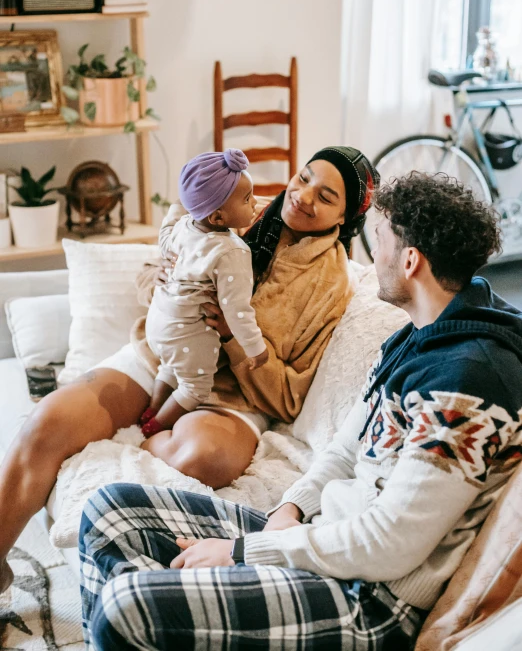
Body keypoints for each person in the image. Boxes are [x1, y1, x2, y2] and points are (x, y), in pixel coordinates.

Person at [79, 172, 522, 651]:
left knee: (128, 606)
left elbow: (391, 544)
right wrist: (289, 509)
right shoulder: (413, 338)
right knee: (108, 510)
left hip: (371, 598)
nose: (373, 256)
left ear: (411, 261)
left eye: (381, 242)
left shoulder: (468, 383)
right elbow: (342, 452)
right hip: (320, 539)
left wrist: (244, 552)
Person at [0, 146, 378, 594]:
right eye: (304, 177)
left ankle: (138, 434)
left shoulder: (331, 283)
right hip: (160, 357)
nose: (303, 195)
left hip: (233, 396)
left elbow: (289, 398)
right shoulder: (234, 208)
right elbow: (151, 281)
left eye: (327, 196)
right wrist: (159, 274)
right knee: (47, 424)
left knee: (203, 457)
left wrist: (234, 340)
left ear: (345, 217)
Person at [140, 148, 268, 438]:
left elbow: (165, 233)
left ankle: (151, 409)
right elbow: (237, 309)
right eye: (247, 199)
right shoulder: (232, 251)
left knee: (170, 367)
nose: (255, 203)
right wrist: (255, 348)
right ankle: (154, 426)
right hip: (187, 332)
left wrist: (182, 202)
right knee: (195, 387)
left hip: (159, 324)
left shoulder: (185, 226)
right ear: (218, 217)